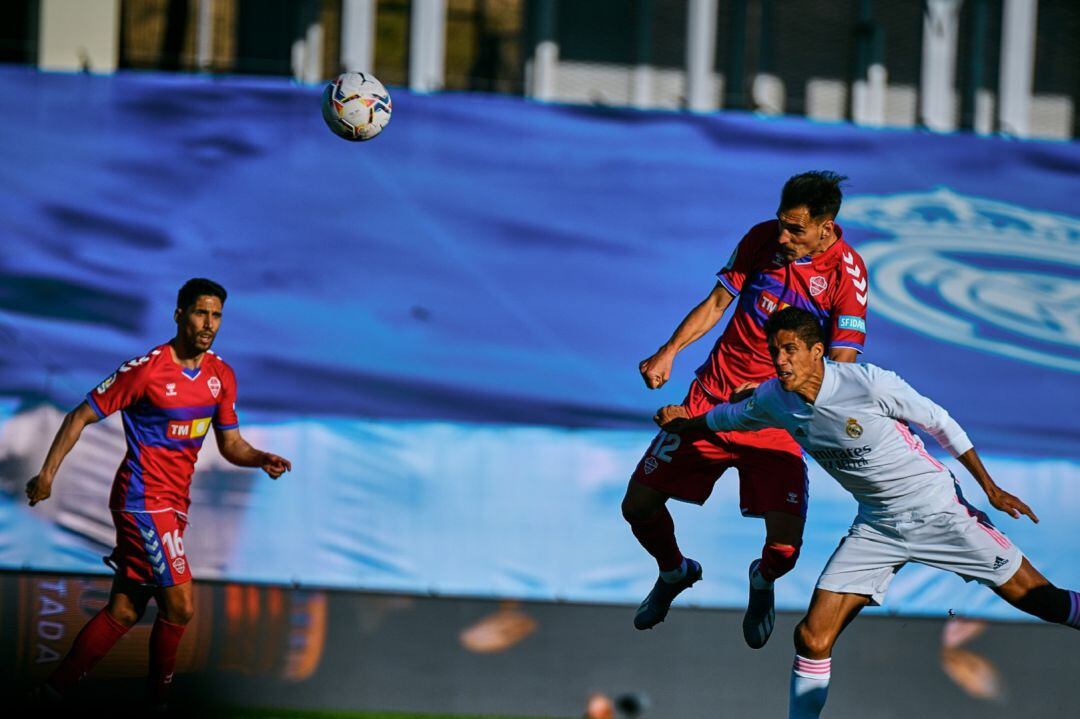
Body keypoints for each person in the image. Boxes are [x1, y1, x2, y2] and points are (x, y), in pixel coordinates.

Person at [655, 307, 1080, 719]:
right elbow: (728, 418)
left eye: (789, 350)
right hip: (877, 525)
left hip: (937, 511)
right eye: (774, 351)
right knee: (811, 636)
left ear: (816, 351)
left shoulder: (869, 383)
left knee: (1044, 601)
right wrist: (684, 423)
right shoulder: (773, 399)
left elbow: (940, 422)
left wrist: (989, 488)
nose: (779, 360)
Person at [625, 171, 869, 647]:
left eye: (796, 229)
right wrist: (669, 351)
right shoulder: (762, 239)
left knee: (784, 550)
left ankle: (762, 580)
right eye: (782, 223)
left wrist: (782, 398)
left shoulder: (848, 275)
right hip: (711, 400)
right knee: (638, 505)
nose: (783, 236)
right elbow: (719, 302)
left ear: (826, 226)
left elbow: (840, 365)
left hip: (775, 419)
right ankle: (674, 571)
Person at [26, 278, 292, 707]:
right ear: (179, 314)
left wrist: (260, 457)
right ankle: (158, 704)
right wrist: (47, 475)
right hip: (142, 500)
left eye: (217, 315)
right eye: (201, 313)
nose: (209, 324)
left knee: (125, 611)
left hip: (173, 505)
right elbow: (78, 416)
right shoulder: (146, 371)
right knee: (182, 606)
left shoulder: (220, 376)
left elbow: (230, 445)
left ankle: (50, 692)